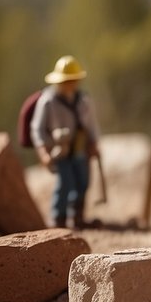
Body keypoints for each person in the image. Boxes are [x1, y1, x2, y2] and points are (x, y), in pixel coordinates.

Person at [31, 55, 101, 229]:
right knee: (65, 184)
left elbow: (91, 124)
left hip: (81, 149)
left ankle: (77, 217)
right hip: (60, 149)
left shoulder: (84, 100)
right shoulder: (48, 101)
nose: (70, 84)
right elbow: (37, 129)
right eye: (67, 81)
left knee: (83, 182)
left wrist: (94, 143)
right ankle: (58, 218)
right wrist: (43, 152)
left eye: (73, 80)